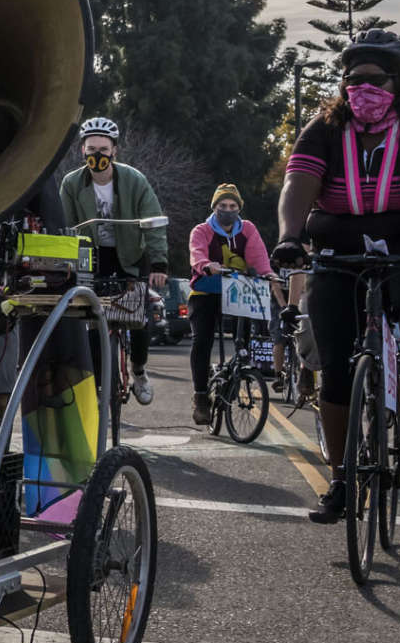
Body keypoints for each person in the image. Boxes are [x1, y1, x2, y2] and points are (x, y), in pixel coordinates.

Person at [269, 30, 400, 524]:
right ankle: (340, 479)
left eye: (374, 80)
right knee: (335, 367)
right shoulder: (321, 128)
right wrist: (290, 237)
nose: (361, 89)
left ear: (398, 84)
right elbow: (298, 185)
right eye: (352, 79)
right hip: (338, 241)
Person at [56, 118, 168, 404]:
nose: (97, 156)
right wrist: (67, 265)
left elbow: (153, 223)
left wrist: (158, 264)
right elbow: (67, 228)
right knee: (93, 320)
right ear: (82, 150)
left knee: (138, 318)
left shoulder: (134, 180)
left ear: (115, 151)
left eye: (103, 149)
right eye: (91, 149)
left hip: (130, 255)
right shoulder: (71, 183)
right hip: (93, 259)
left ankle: (139, 370)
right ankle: (95, 384)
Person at [187, 183, 273, 427]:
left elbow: (258, 258)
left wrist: (267, 274)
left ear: (239, 208)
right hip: (206, 292)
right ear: (214, 207)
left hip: (237, 293)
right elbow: (197, 252)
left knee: (243, 340)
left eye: (232, 206)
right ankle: (201, 395)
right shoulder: (202, 230)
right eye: (222, 206)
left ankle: (237, 375)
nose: (228, 210)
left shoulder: (247, 229)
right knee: (201, 340)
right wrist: (205, 264)